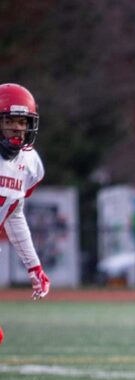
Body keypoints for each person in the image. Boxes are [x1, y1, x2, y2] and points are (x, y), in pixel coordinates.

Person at [0, 82, 50, 345]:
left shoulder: (30, 164)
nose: (18, 128)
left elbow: (14, 213)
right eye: (10, 121)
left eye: (22, 121)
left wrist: (33, 266)